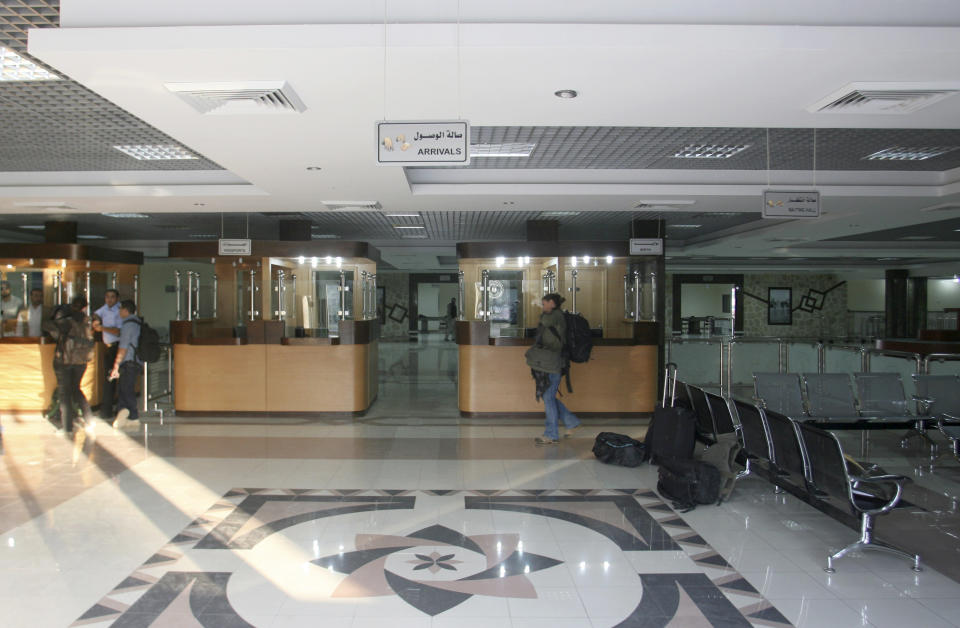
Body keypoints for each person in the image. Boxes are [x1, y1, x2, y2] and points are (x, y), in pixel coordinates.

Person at [525, 293, 581, 445]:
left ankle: (551, 434)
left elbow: (544, 320)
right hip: (549, 363)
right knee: (548, 397)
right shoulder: (555, 314)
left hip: (553, 363)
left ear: (552, 303)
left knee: (548, 398)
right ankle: (571, 421)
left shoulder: (555, 315)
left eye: (544, 304)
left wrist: (545, 310)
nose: (542, 307)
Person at [42, 296, 94, 435]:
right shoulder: (88, 322)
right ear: (84, 307)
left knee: (64, 393)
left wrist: (54, 314)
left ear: (72, 306)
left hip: (64, 361)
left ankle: (67, 428)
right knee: (76, 389)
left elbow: (47, 326)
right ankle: (89, 420)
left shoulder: (65, 321)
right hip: (81, 362)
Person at [110, 299, 142, 429]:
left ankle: (132, 416)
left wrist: (116, 365)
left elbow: (123, 347)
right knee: (124, 389)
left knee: (126, 390)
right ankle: (125, 416)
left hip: (128, 362)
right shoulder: (137, 322)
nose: (119, 311)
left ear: (125, 310)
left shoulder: (128, 325)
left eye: (120, 309)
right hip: (135, 361)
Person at [92, 289, 121, 419]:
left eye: (112, 297)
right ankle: (107, 410)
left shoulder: (120, 311)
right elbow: (96, 314)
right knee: (108, 380)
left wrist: (102, 328)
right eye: (107, 297)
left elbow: (118, 331)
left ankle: (113, 409)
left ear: (117, 299)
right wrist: (97, 321)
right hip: (108, 347)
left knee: (114, 379)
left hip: (118, 347)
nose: (109, 300)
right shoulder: (105, 309)